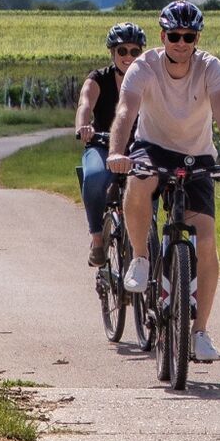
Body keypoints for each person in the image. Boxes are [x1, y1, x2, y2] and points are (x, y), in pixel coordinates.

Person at [107, 0, 220, 366]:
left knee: (207, 239)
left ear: (197, 38)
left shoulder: (211, 67)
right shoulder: (144, 66)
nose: (181, 43)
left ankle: (199, 332)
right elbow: (126, 110)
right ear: (162, 36)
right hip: (152, 147)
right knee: (139, 182)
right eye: (174, 36)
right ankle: (140, 257)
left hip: (196, 154)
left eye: (188, 36)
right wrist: (117, 152)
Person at [75, 22, 145, 266]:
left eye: (134, 51)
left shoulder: (148, 79)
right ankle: (97, 240)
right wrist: (84, 126)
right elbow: (85, 104)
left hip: (138, 148)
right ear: (112, 53)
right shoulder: (98, 79)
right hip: (102, 144)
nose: (128, 56)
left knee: (153, 186)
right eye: (122, 51)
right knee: (94, 176)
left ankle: (148, 246)